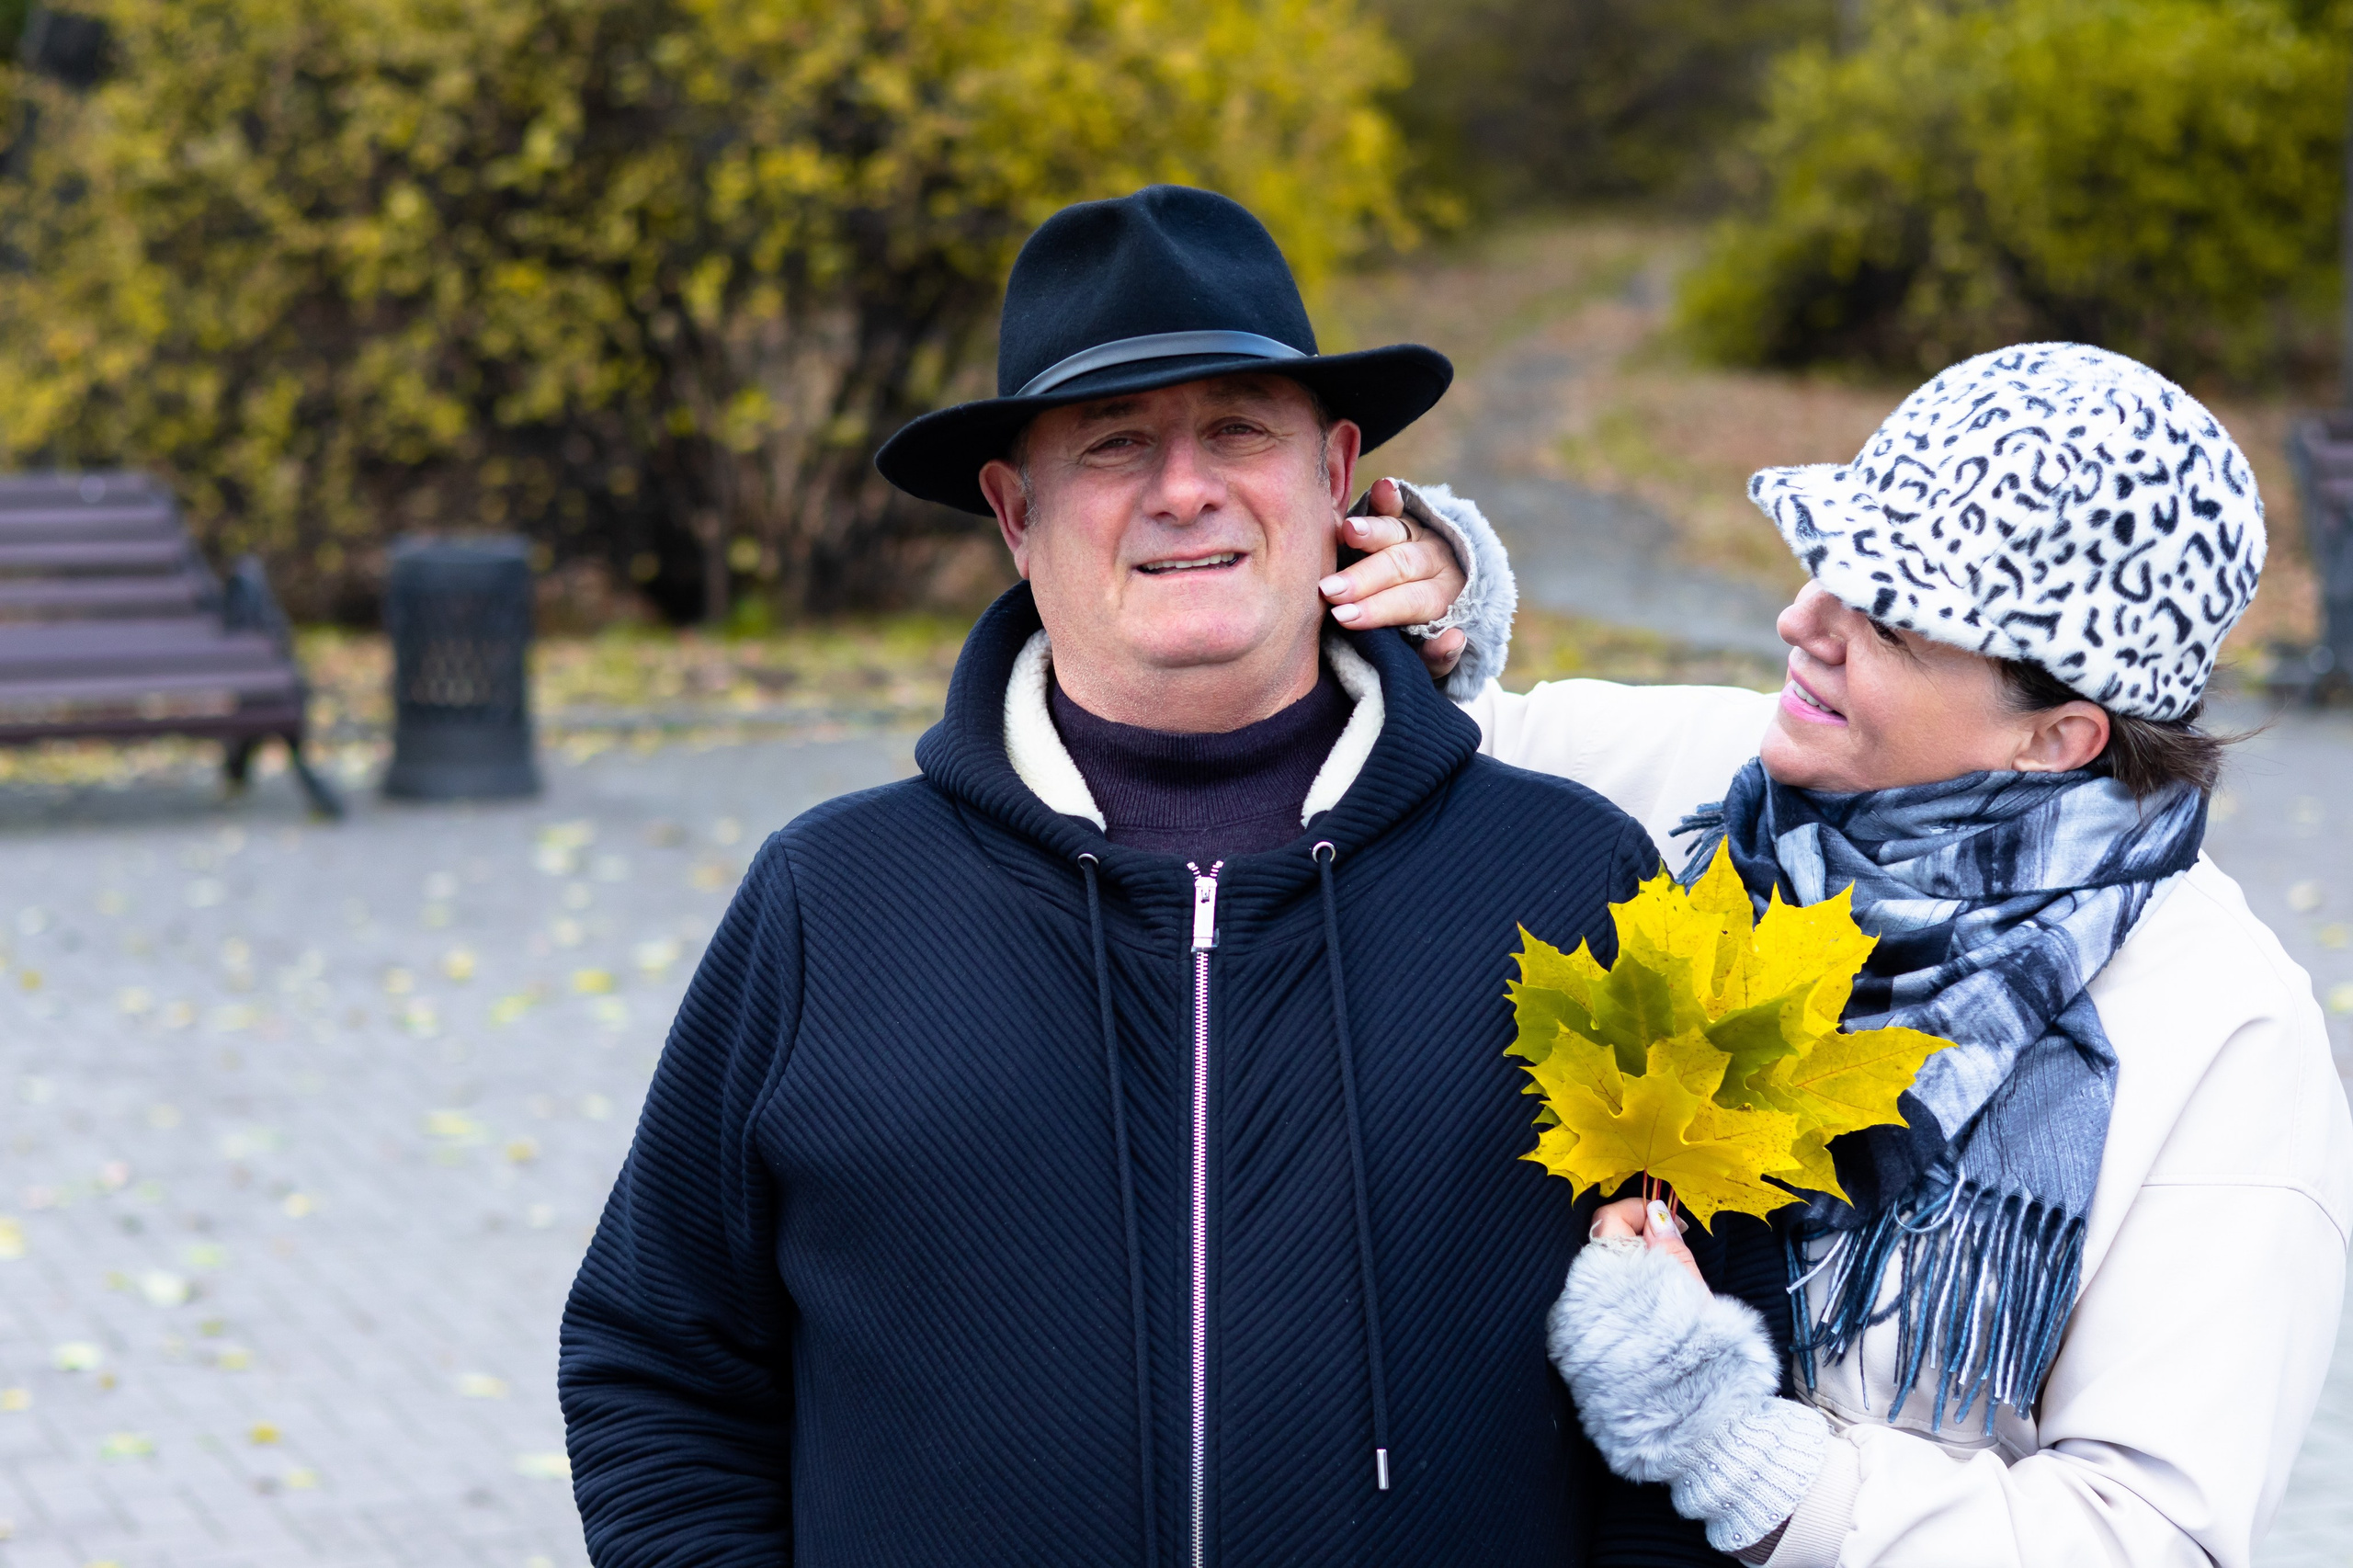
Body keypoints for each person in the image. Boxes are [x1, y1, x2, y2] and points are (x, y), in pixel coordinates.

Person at [558, 185, 1688, 1566]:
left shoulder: (1570, 877)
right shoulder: (833, 904)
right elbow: (659, 1362)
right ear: (1013, 510)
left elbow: (1686, 1398)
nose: (1184, 486)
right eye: (1113, 443)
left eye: (1237, 430)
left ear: (1335, 476)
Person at [1337, 343, 2353, 1567]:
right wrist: (1437, 589)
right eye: (1829, 564)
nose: (1799, 620)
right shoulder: (1704, 786)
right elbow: (1415, 763)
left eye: (1887, 618)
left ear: (2059, 734)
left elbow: (2151, 1536)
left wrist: (1760, 1463)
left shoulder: (2225, 1034)